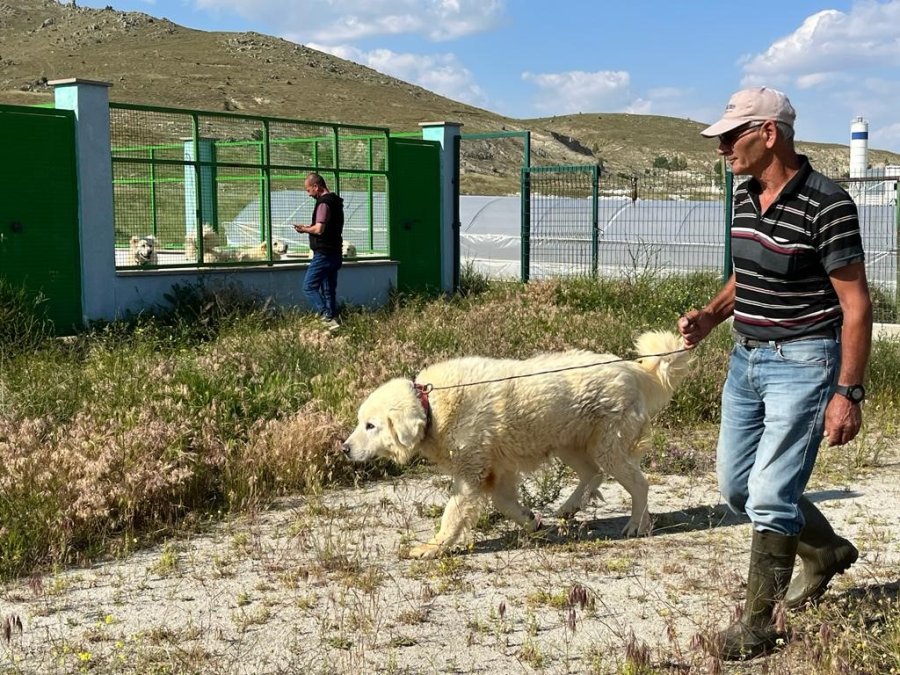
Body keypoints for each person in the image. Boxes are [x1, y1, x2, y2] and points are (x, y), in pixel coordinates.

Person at [678, 87, 872, 661]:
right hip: (747, 360)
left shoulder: (827, 202)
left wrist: (848, 392)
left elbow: (857, 305)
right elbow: (749, 271)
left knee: (770, 492)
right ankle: (828, 551)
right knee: (739, 487)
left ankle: (759, 625)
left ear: (768, 133)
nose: (720, 149)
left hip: (806, 363)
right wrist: (711, 316)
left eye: (729, 136)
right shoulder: (743, 195)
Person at [294, 173, 345, 331]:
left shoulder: (324, 203)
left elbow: (319, 228)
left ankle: (325, 316)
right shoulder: (336, 201)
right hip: (336, 252)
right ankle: (332, 321)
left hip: (324, 253)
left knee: (308, 287)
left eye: (309, 190)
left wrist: (304, 229)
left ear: (316, 186)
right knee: (328, 289)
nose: (308, 194)